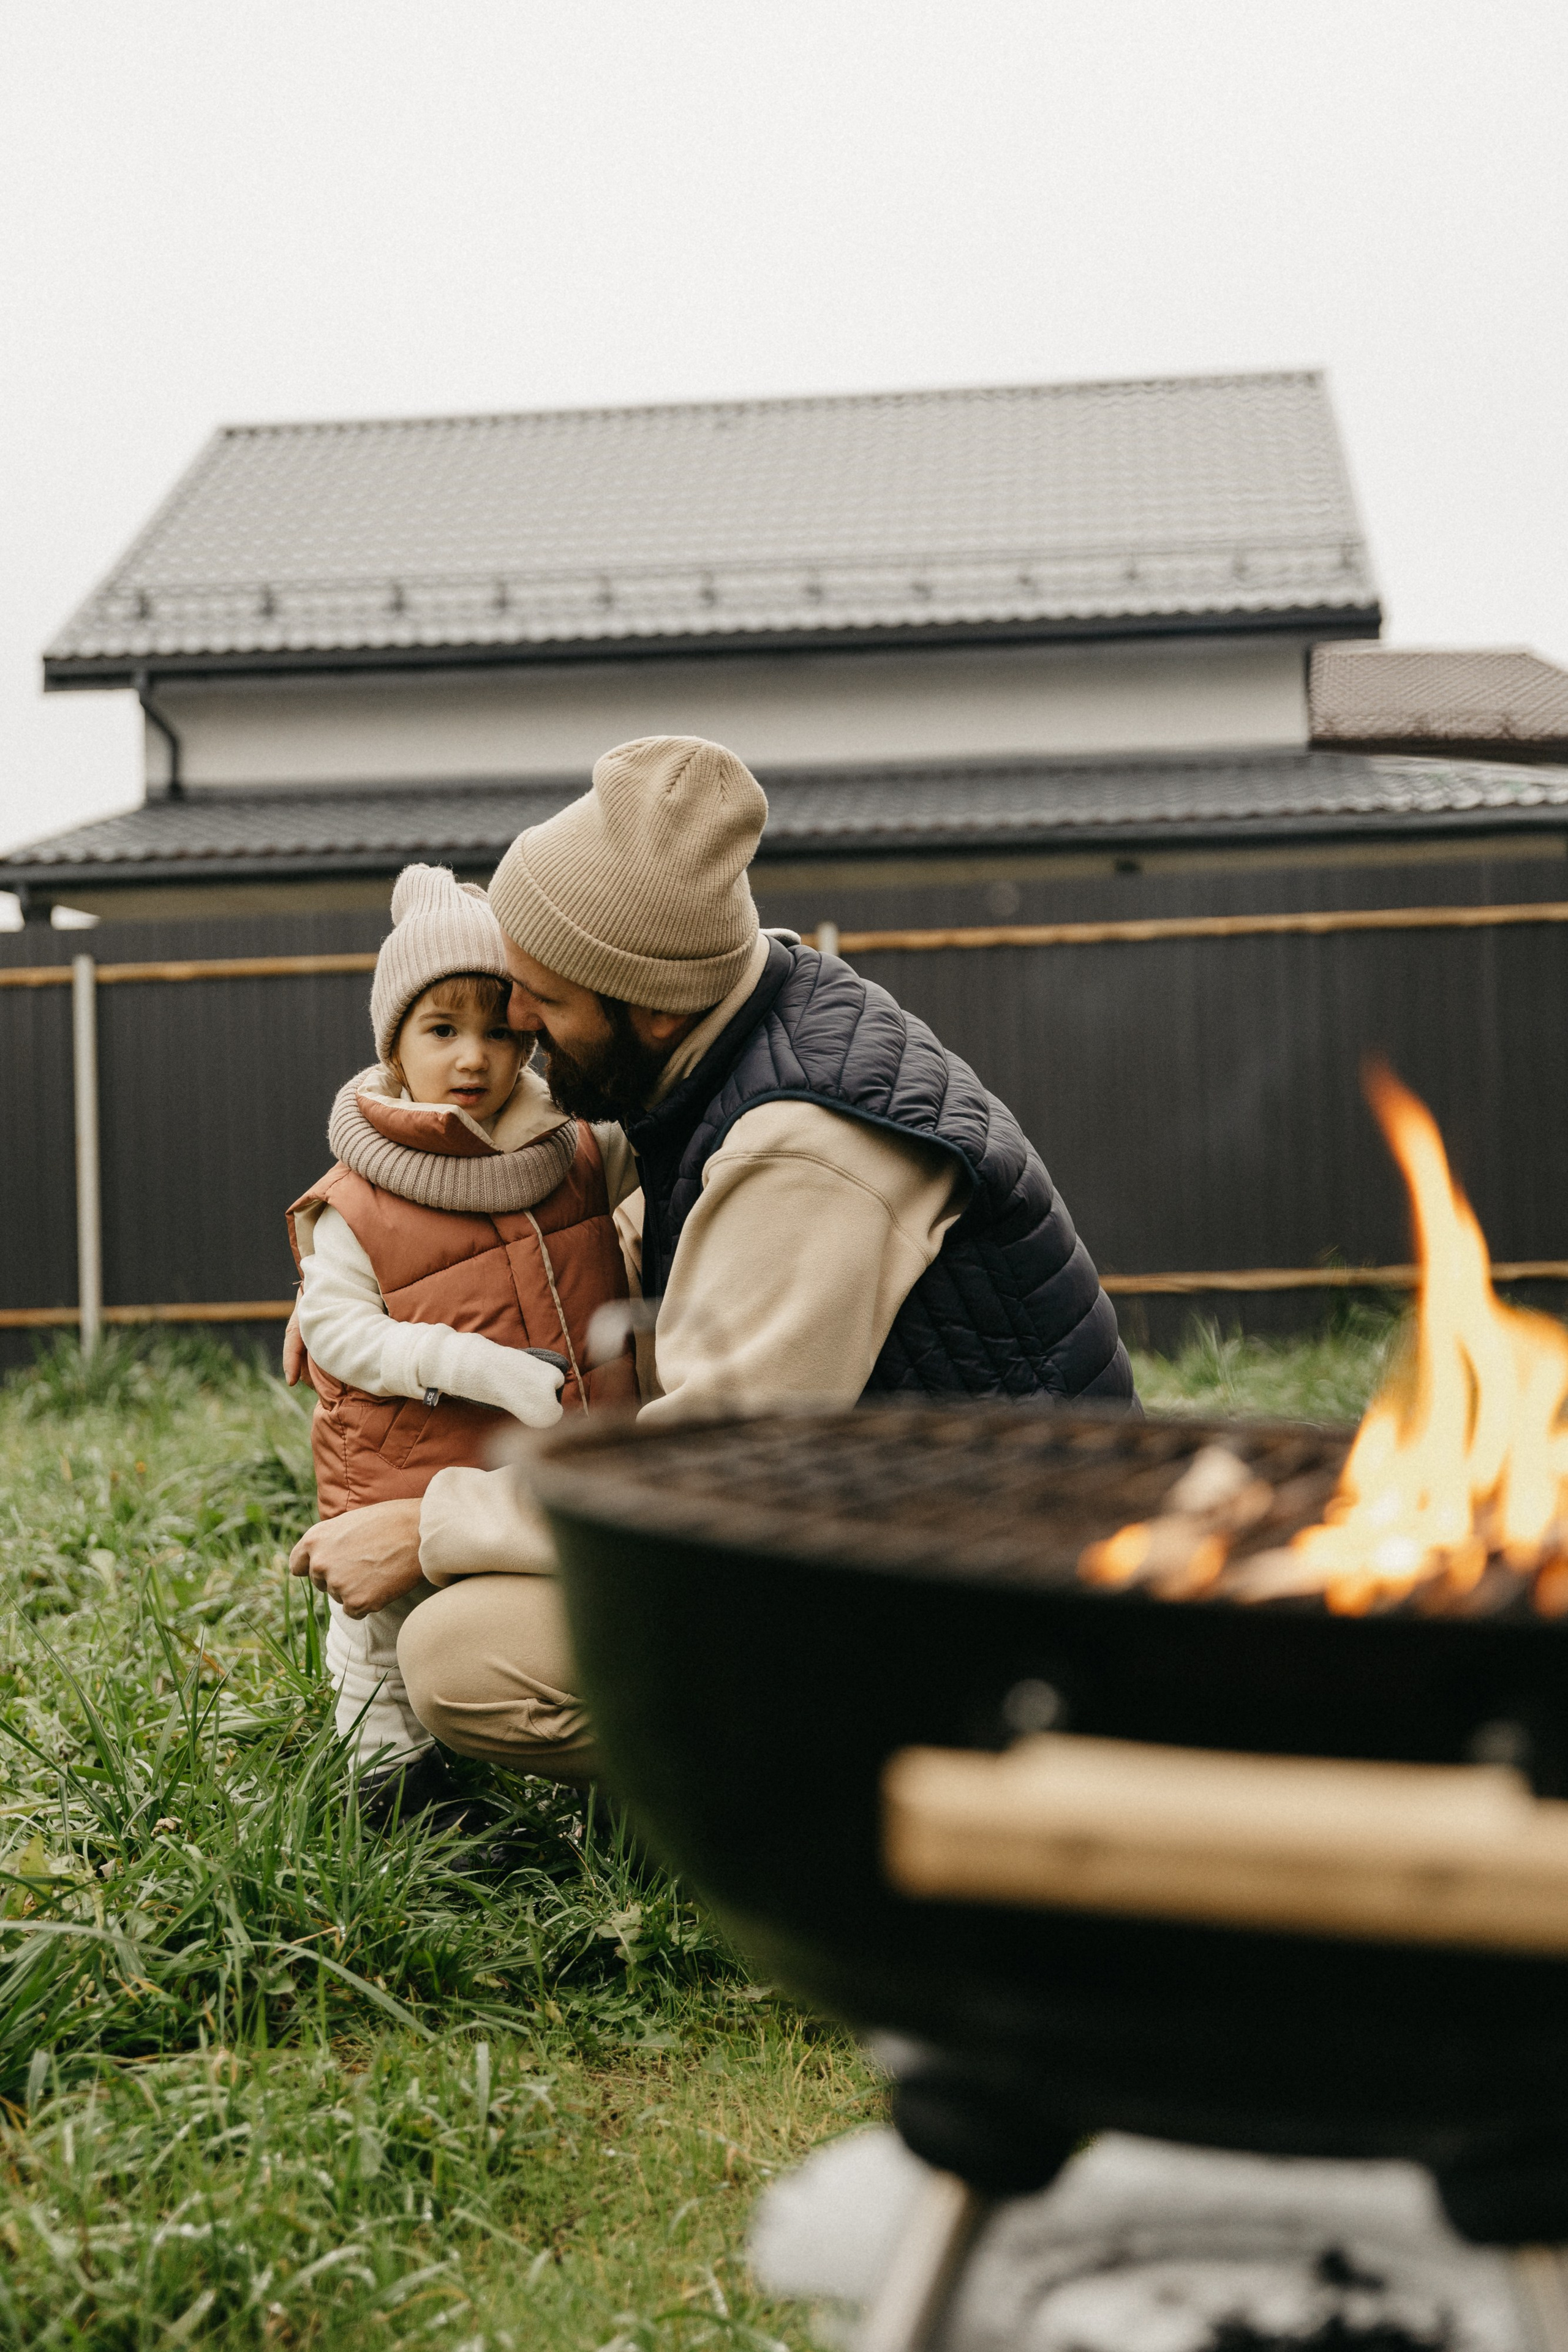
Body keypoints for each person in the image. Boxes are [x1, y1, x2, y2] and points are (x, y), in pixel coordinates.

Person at [289, 737, 1134, 1775]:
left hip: (1001, 1613)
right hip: (901, 1526)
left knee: (465, 1654)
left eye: (542, 1005)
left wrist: (428, 1526)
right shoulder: (737, 1022)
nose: (515, 1032)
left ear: (645, 1003)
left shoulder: (805, 1151)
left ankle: (854, 1789)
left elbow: (702, 1488)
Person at [285, 862, 634, 1812]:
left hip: (545, 1438)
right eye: (442, 1031)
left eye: (500, 1029)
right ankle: (384, 1779)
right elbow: (338, 1333)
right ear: (395, 1046)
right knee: (385, 1623)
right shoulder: (358, 1195)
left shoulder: (571, 1152)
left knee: (518, 1581)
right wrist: (473, 1365)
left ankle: (571, 1768)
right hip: (413, 1442)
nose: (473, 1058)